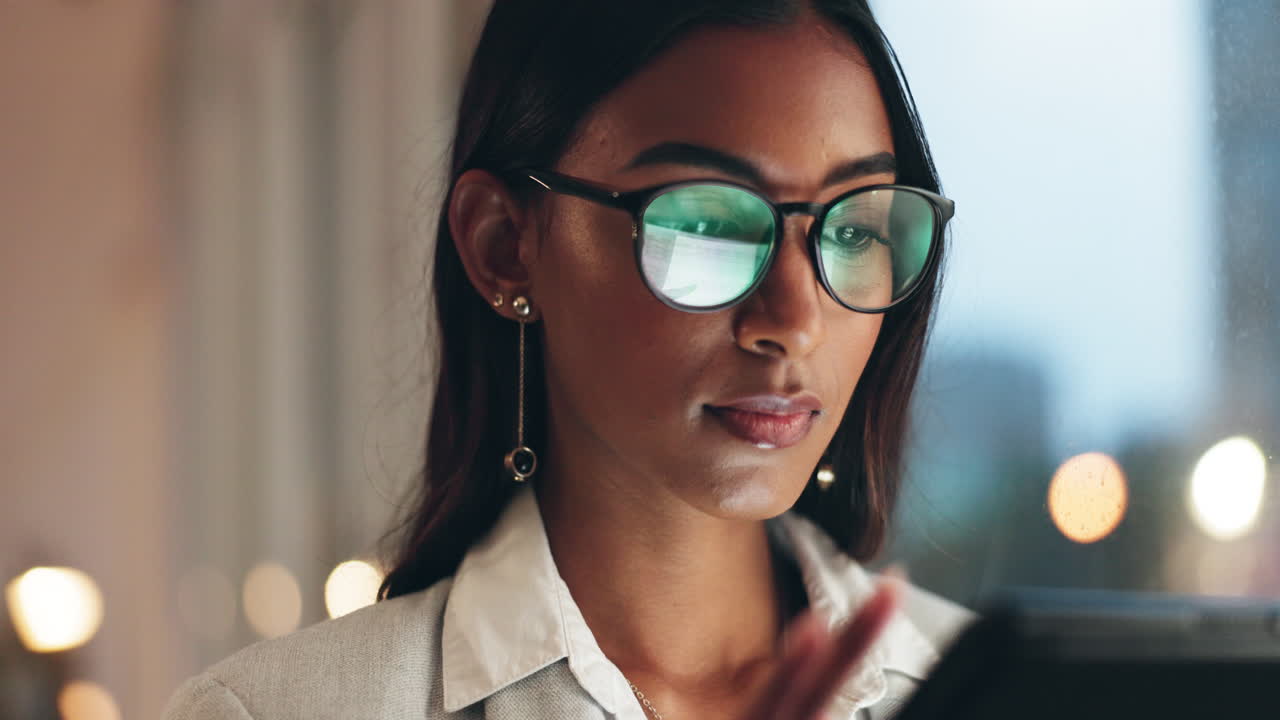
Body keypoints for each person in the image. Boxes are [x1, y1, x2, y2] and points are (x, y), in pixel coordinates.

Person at [163, 1, 973, 718]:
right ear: (504, 246)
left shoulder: (991, 692)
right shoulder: (276, 711)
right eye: (703, 226)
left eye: (855, 229)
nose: (794, 322)